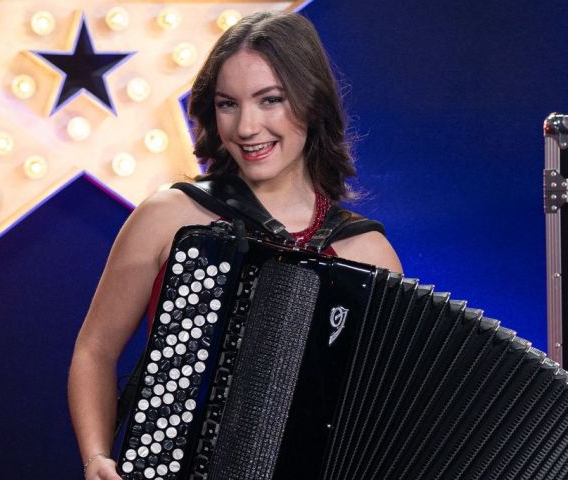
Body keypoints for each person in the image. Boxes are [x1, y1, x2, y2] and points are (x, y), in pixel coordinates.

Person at [68, 11, 402, 479]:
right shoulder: (169, 216)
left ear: (312, 103)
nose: (246, 127)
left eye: (270, 100)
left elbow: (377, 417)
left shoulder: (368, 255)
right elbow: (95, 350)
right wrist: (97, 458)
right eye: (228, 104)